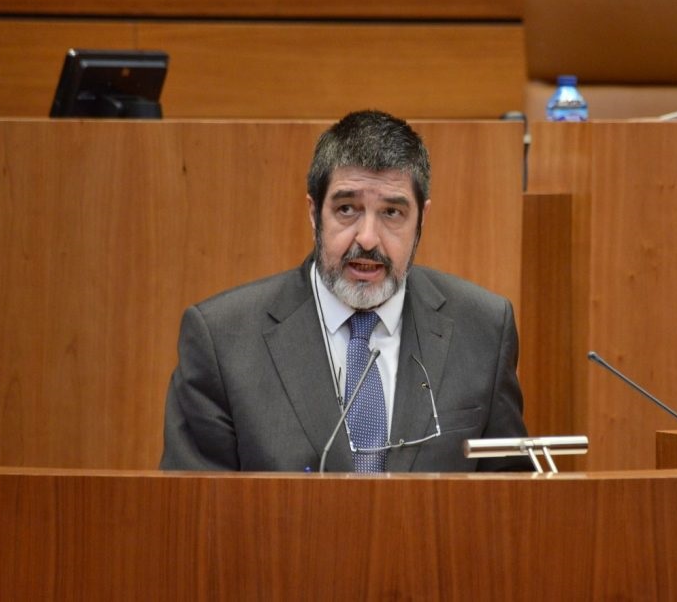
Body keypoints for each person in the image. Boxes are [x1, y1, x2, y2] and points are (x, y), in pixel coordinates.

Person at [160, 110, 528, 472]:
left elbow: (508, 502)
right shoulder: (223, 340)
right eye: (347, 209)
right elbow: (195, 511)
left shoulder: (483, 330)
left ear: (422, 220)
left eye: (392, 213)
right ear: (313, 212)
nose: (367, 238)